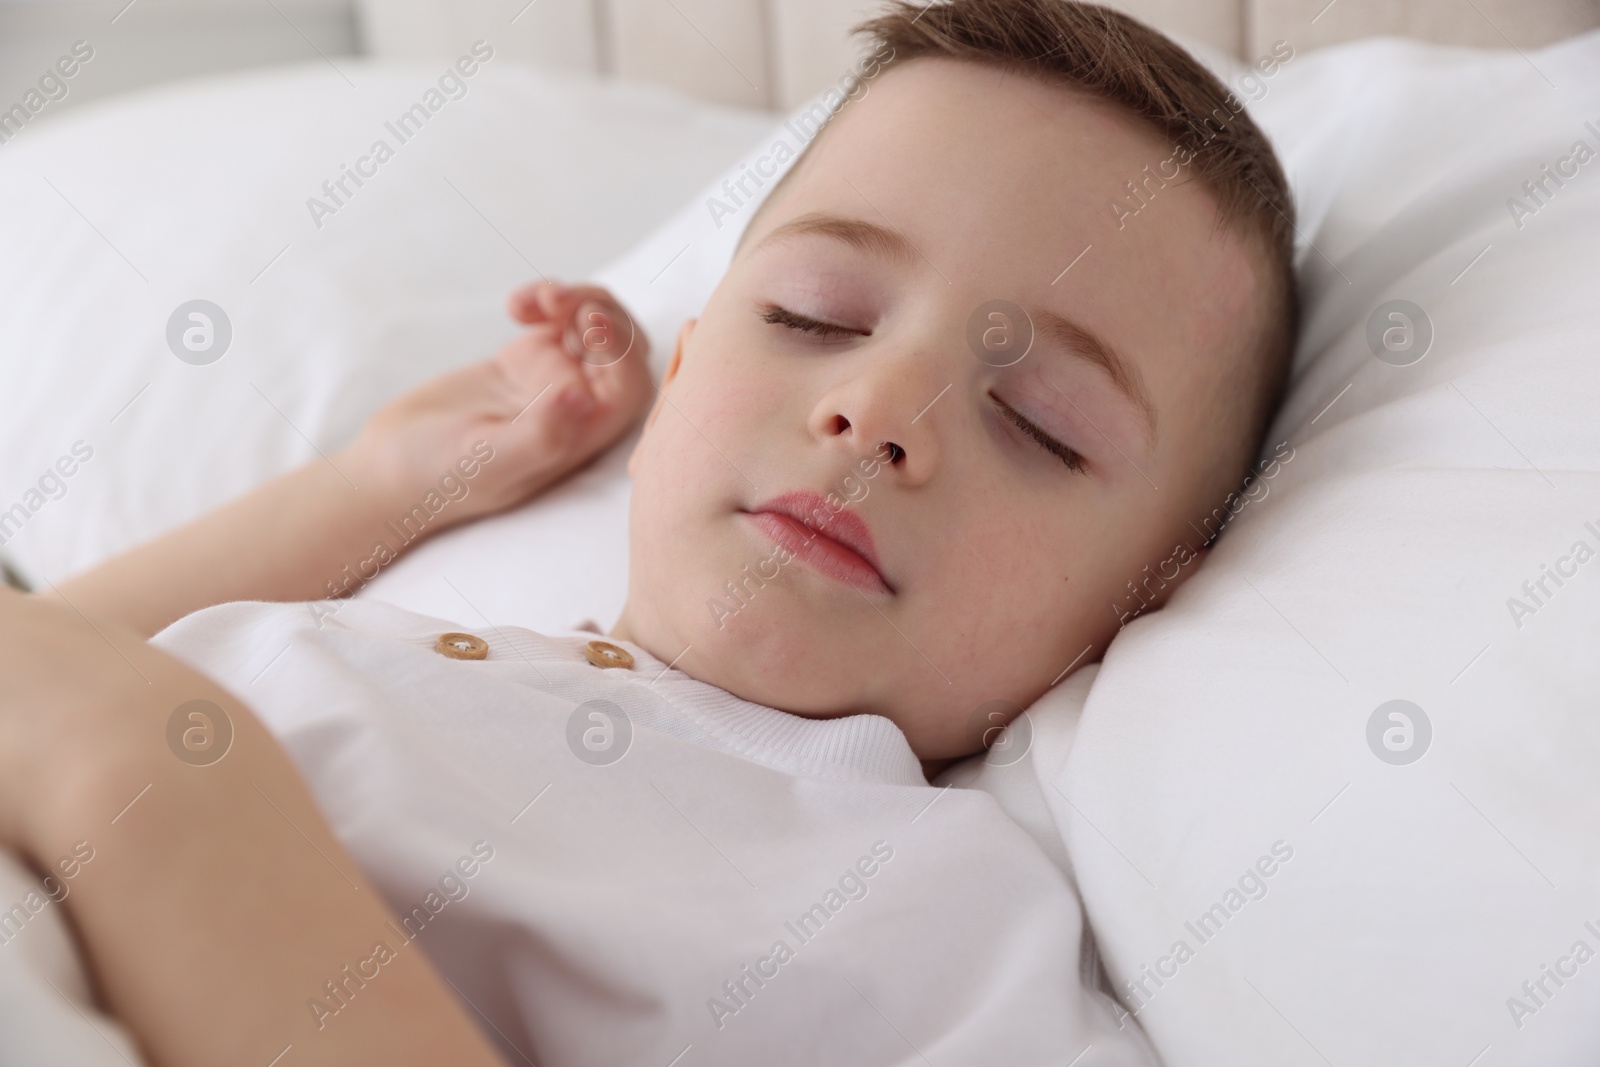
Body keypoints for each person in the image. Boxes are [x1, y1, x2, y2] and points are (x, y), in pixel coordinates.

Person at [0, 1, 1297, 1063]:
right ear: (681, 374)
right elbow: (54, 659)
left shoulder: (940, 916)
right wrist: (387, 485)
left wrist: (159, 778)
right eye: (815, 313)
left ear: (1151, 586)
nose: (878, 408)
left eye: (1039, 421)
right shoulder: (405, 638)